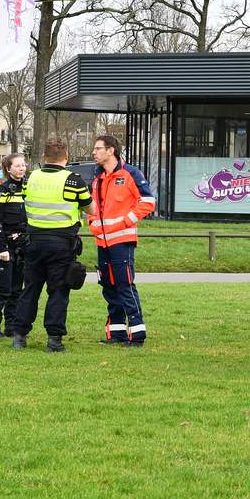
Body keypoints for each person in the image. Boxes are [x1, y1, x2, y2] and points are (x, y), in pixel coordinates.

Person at [10, 139, 91, 352]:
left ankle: (19, 335)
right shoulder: (73, 180)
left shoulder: (31, 178)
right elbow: (89, 208)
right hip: (62, 243)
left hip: (34, 241)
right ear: (67, 158)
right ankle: (54, 340)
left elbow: (27, 200)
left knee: (31, 289)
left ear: (44, 157)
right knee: (58, 290)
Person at [88, 134, 156, 347]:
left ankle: (137, 334)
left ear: (111, 151)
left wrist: (126, 221)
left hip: (121, 241)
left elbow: (148, 202)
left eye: (98, 148)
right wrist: (93, 224)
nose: (94, 152)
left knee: (125, 285)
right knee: (108, 286)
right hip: (102, 242)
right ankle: (116, 333)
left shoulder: (130, 173)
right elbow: (92, 207)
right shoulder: (97, 178)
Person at [0, 153, 29, 339]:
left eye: (23, 165)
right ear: (8, 168)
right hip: (5, 245)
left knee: (17, 290)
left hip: (23, 246)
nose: (22, 168)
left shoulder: (30, 189)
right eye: (18, 165)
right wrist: (1, 248)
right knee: (3, 289)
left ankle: (11, 326)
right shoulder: (1, 191)